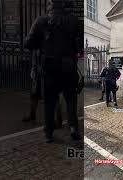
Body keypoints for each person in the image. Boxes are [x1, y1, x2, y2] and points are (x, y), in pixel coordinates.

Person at [24, 0, 82, 143]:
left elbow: (28, 44)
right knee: (71, 98)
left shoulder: (41, 20)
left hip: (49, 67)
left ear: (49, 4)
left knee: (49, 101)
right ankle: (73, 128)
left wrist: (42, 42)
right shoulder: (74, 20)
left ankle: (49, 133)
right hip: (68, 65)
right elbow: (80, 45)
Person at [22, 58, 63, 130]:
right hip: (41, 71)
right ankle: (33, 115)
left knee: (53, 97)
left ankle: (58, 120)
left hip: (50, 71)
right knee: (35, 95)